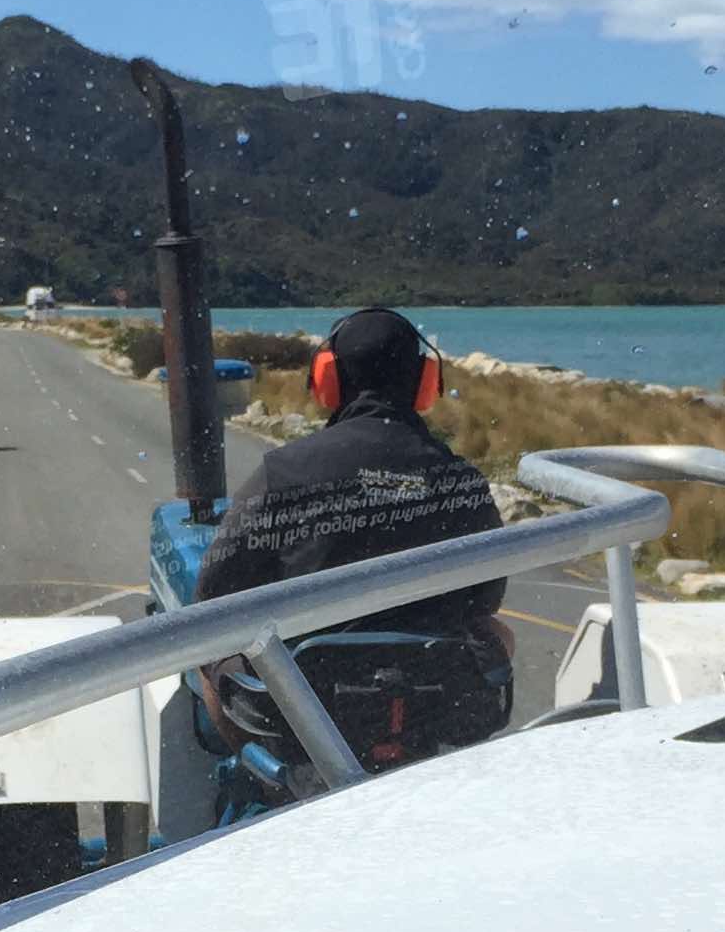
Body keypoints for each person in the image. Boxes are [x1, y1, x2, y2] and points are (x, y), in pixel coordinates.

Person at [193, 305, 508, 750]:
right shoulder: (461, 479)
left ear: (327, 380)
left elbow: (212, 593)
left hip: (306, 707)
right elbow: (486, 599)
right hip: (431, 700)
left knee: (207, 649)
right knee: (501, 634)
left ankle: (253, 779)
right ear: (424, 383)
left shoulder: (283, 471)